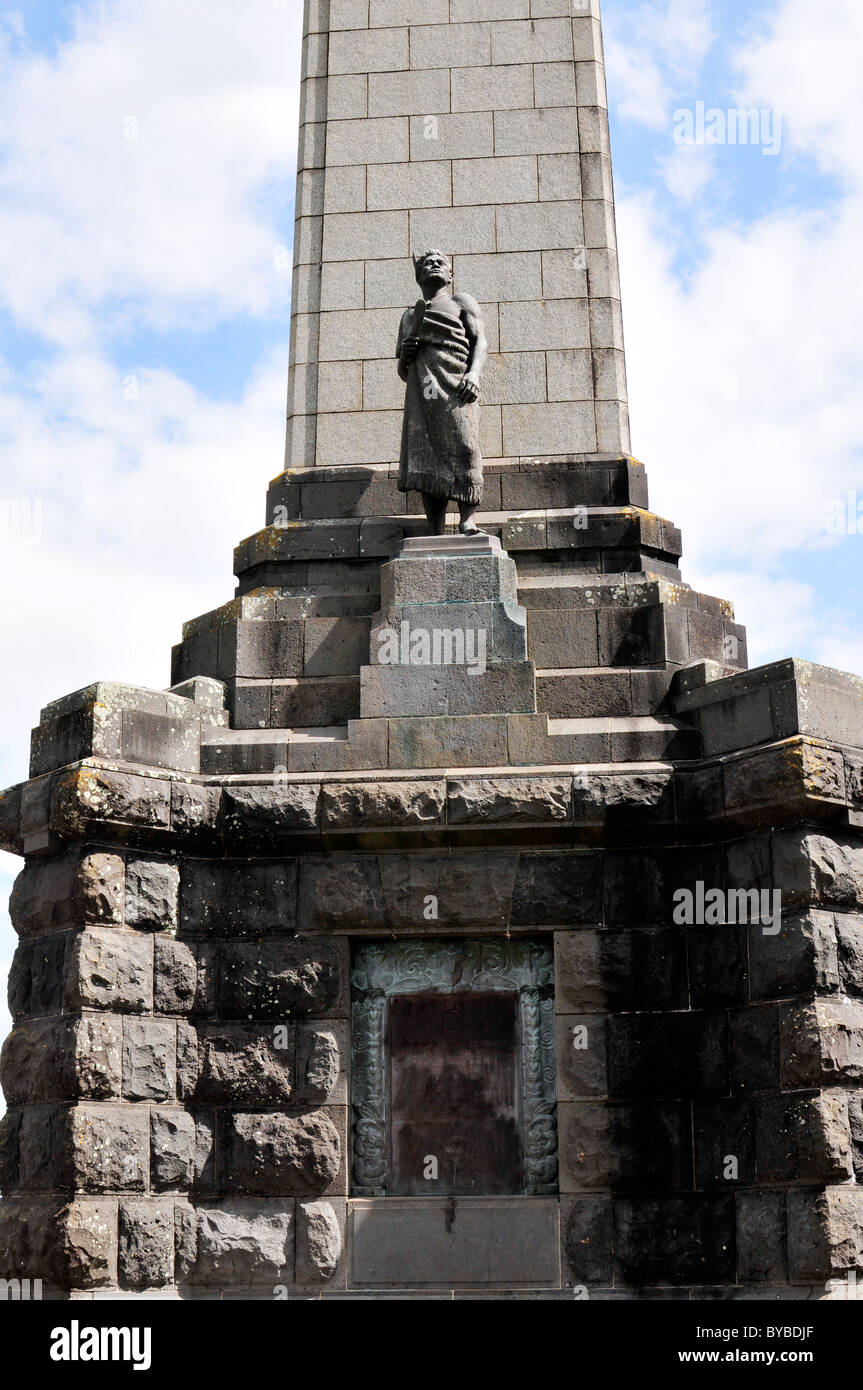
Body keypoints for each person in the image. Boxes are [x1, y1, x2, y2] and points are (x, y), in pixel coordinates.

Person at [396, 249, 488, 536]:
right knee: (427, 456)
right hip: (423, 393)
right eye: (427, 263)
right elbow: (403, 371)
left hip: (458, 385)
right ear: (418, 275)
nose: (434, 265)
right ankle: (434, 528)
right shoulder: (410, 316)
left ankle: (467, 520)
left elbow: (480, 342)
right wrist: (406, 356)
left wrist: (474, 373)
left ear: (450, 275)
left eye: (441, 263)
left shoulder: (462, 302)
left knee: (466, 445)